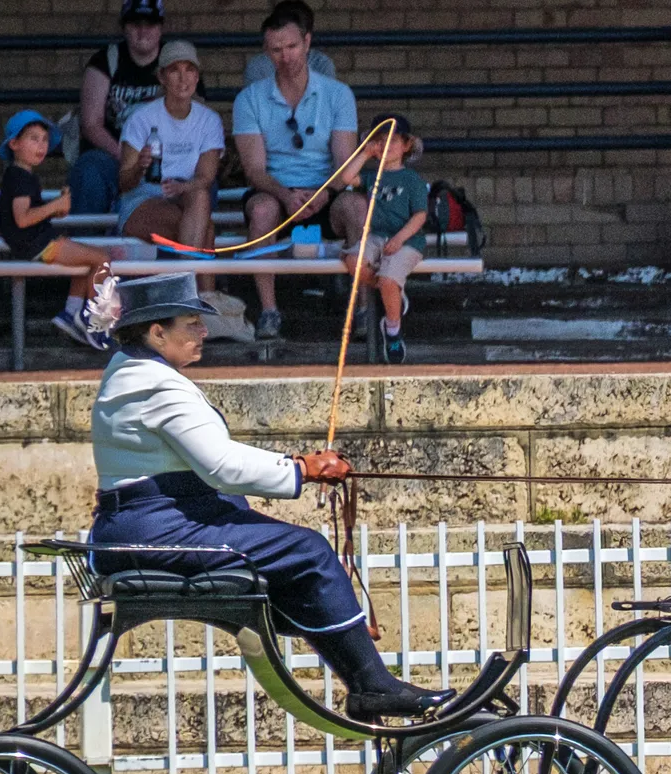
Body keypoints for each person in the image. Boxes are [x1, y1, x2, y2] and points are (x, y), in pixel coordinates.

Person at [86, 272, 447, 720]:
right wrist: (303, 468)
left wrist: (295, 463)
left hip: (143, 524)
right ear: (157, 332)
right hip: (156, 530)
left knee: (266, 536)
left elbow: (212, 465)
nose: (203, 331)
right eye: (191, 324)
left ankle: (344, 647)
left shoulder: (129, 370)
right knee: (307, 550)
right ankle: (371, 684)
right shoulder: (157, 384)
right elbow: (222, 466)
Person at [232, 2, 361, 341]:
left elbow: (345, 164)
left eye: (291, 47)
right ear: (266, 52)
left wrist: (324, 193)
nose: (285, 56)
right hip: (275, 191)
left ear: (307, 43)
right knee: (261, 210)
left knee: (359, 208)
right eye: (276, 50)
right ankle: (270, 311)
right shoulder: (249, 99)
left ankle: (361, 307)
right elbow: (254, 169)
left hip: (325, 192)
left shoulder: (338, 94)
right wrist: (285, 195)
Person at [0, 109, 117, 349]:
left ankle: (70, 313)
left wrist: (56, 209)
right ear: (14, 144)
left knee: (87, 260)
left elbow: (31, 214)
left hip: (37, 241)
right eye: (33, 139)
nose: (41, 145)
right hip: (37, 245)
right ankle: (96, 324)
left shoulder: (23, 176)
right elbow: (22, 219)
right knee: (101, 260)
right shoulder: (20, 178)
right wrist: (55, 206)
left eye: (44, 140)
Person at [116, 40, 222, 275]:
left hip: (186, 197)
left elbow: (206, 176)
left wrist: (181, 187)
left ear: (197, 77)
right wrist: (139, 168)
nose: (183, 78)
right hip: (142, 202)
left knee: (199, 196)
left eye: (189, 70)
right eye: (174, 70)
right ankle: (200, 301)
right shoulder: (141, 118)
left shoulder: (209, 120)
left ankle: (188, 301)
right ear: (162, 77)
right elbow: (124, 182)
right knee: (205, 230)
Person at [341, 113, 427, 365]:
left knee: (389, 279)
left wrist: (400, 239)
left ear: (407, 145)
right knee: (353, 261)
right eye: (380, 141)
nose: (386, 146)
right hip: (375, 237)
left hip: (406, 240)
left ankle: (392, 330)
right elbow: (346, 178)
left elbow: (420, 215)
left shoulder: (411, 180)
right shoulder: (370, 177)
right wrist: (366, 153)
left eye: (393, 141)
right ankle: (394, 298)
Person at [70, 0, 166, 217]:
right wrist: (128, 157)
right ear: (124, 27)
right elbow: (91, 124)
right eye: (135, 24)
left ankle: (181, 251)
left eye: (150, 24)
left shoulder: (177, 63)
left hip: (165, 159)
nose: (143, 31)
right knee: (89, 169)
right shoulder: (105, 60)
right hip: (112, 156)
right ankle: (83, 247)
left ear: (161, 28)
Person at [241, 0, 339, 85]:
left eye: (292, 45)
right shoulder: (258, 66)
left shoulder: (322, 64)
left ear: (306, 39)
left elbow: (327, 103)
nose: (286, 57)